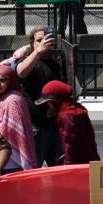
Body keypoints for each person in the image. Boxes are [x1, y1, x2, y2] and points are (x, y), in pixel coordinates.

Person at [13, 26, 67, 166]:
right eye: (39, 40)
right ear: (32, 43)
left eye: (47, 39)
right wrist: (38, 51)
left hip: (55, 125)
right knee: (33, 167)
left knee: (59, 168)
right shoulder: (28, 60)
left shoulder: (57, 63)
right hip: (35, 125)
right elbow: (21, 72)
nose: (43, 42)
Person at [0, 63, 38, 173]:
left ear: (10, 82)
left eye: (3, 80)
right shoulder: (5, 98)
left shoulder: (13, 100)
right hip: (6, 157)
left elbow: (12, 130)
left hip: (13, 160)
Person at [36, 80, 100, 164]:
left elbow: (69, 146)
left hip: (78, 165)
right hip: (90, 161)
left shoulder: (66, 117)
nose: (48, 106)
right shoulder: (78, 110)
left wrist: (68, 166)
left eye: (48, 102)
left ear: (55, 101)